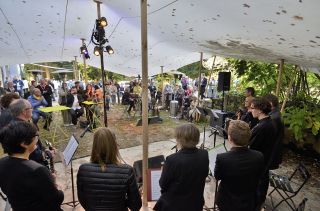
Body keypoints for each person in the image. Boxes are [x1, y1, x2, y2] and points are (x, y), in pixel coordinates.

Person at [0, 121, 64, 211]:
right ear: (24, 143)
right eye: (35, 137)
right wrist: (58, 188)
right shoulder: (37, 170)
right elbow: (56, 199)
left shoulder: (2, 163)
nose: (37, 140)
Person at [77, 127, 142, 211]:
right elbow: (136, 206)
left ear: (94, 146)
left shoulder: (83, 170)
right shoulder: (127, 171)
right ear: (114, 145)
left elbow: (83, 200)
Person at [154, 124, 209, 211]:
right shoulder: (204, 154)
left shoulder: (172, 160)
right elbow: (204, 174)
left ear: (180, 140)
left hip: (175, 205)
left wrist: (163, 171)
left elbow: (163, 185)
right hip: (195, 204)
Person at [214, 120, 264, 211]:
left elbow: (217, 176)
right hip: (249, 202)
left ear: (229, 138)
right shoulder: (259, 156)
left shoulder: (222, 158)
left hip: (227, 202)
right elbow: (259, 176)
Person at [249, 97, 277, 210]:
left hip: (260, 162)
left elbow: (251, 146)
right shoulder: (270, 121)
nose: (250, 110)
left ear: (260, 110)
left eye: (252, 108)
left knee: (258, 187)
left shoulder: (262, 127)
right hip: (266, 159)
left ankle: (257, 205)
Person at [263, 94, 284, 169]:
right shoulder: (275, 114)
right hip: (272, 152)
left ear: (270, 103)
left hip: (271, 153)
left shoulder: (274, 117)